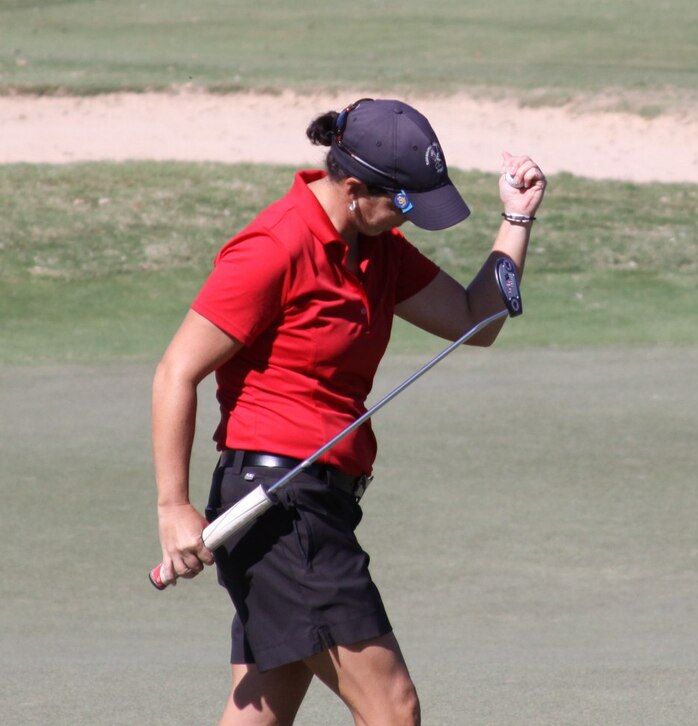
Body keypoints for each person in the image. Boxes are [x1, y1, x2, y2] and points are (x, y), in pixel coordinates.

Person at [152, 97, 546, 726]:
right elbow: (177, 371)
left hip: (318, 503)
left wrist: (516, 219)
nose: (409, 223)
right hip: (280, 505)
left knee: (260, 710)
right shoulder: (274, 246)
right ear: (355, 188)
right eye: (404, 207)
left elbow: (477, 320)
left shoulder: (378, 246)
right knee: (393, 708)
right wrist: (173, 507)